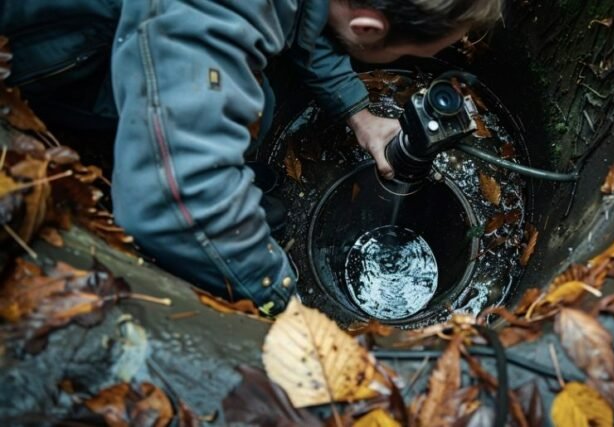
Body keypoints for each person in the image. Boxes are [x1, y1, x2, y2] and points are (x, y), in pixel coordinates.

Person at [1, 0, 503, 314]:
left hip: (134, 27)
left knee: (248, 96)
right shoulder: (212, 14)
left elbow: (315, 15)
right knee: (186, 148)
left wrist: (358, 111)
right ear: (371, 28)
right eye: (404, 55)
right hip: (58, 58)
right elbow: (174, 202)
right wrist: (289, 311)